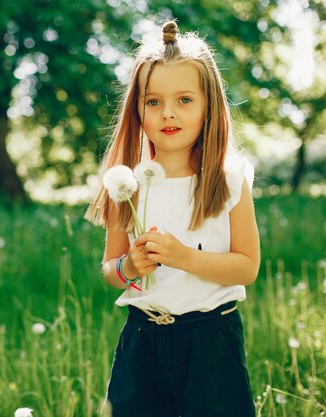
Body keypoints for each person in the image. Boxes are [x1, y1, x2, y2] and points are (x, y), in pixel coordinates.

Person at [84, 20, 260, 417]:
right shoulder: (126, 182)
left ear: (208, 105)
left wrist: (184, 258)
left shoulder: (228, 180)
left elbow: (247, 267)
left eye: (184, 100)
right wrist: (128, 265)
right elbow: (110, 270)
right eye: (153, 101)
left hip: (211, 340)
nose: (168, 113)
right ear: (138, 109)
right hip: (142, 337)